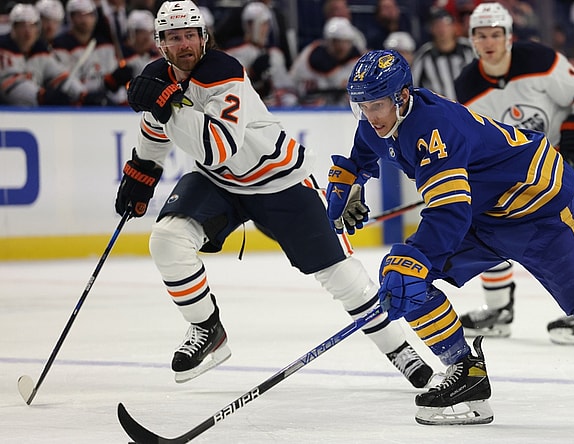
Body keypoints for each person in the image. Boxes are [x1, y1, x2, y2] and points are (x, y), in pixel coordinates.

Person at [326, 48, 574, 434]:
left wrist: (418, 255)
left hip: (541, 214)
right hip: (487, 215)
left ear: (401, 97)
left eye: (377, 105)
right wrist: (352, 183)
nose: (370, 115)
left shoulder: (435, 129)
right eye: (362, 106)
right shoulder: (380, 120)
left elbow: (449, 214)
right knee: (405, 277)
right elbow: (365, 152)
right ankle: (466, 377)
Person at [114, 0, 433, 389]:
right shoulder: (158, 79)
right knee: (166, 241)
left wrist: (167, 108)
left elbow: (217, 147)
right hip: (220, 182)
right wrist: (142, 171)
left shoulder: (224, 73)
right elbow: (155, 130)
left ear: (204, 37)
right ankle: (207, 329)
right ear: (161, 43)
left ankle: (399, 349)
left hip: (280, 180)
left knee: (344, 278)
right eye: (174, 38)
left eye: (191, 36)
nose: (184, 45)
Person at [453, 2, 574, 344]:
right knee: (483, 221)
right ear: (472, 40)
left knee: (562, 227)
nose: (489, 42)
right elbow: (479, 136)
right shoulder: (467, 85)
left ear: (509, 37)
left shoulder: (539, 60)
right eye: (481, 35)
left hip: (565, 155)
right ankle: (498, 311)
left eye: (496, 34)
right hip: (520, 167)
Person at [0, 3, 86, 106]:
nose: (28, 32)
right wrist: (41, 96)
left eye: (32, 26)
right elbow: (9, 86)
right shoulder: (3, 51)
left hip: (33, 112)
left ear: (38, 29)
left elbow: (58, 74)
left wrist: (82, 94)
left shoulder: (40, 50)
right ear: (13, 28)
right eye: (22, 26)